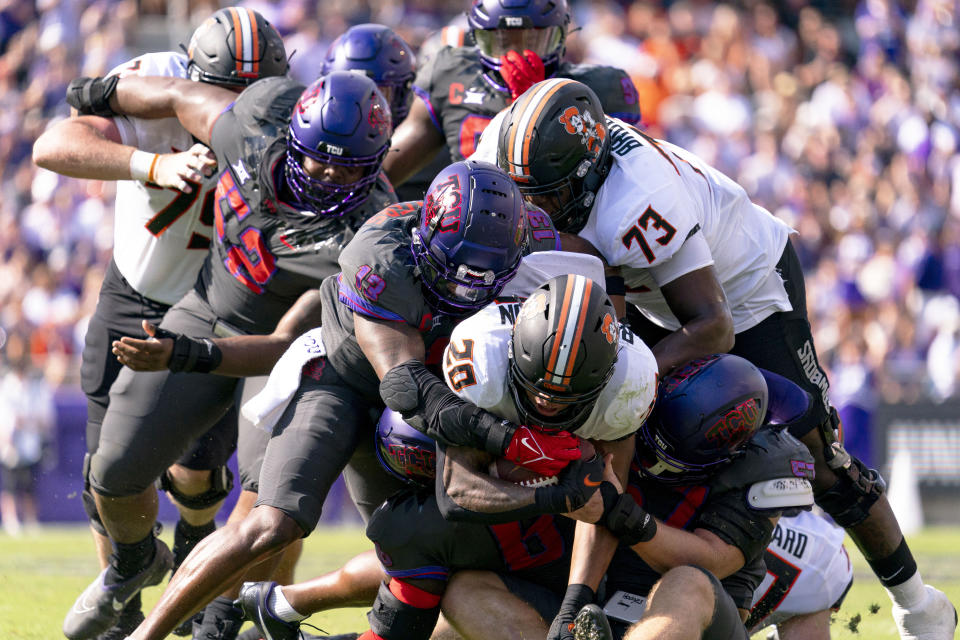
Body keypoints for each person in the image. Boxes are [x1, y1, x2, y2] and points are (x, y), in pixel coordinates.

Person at [480, 77, 957, 639]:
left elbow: (713, 326)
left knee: (826, 463)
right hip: (641, 282)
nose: (534, 208)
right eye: (525, 192)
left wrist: (630, 371)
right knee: (598, 410)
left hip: (746, 293)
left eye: (548, 195)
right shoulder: (505, 148)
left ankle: (915, 605)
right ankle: (591, 595)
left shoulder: (638, 198)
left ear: (587, 173)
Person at [108, 159, 575, 640]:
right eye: (455, 270)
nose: (468, 286)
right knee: (272, 523)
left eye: (485, 273)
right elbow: (403, 384)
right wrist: (509, 439)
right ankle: (145, 635)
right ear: (424, 238)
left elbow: (592, 283)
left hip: (440, 402)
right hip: (346, 382)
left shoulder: (536, 238)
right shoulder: (380, 253)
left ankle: (279, 610)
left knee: (413, 549)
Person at [57, 64, 396, 640]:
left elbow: (286, 344)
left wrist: (186, 354)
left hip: (284, 358)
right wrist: (94, 91)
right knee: (112, 473)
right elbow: (173, 91)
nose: (331, 173)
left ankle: (224, 616)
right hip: (208, 309)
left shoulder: (368, 233)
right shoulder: (251, 128)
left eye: (350, 166)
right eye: (320, 157)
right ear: (292, 138)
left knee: (267, 508)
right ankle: (136, 560)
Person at [31, 8, 289, 639]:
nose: (232, 109)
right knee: (106, 476)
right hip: (137, 290)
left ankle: (195, 577)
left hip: (217, 309)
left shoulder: (290, 116)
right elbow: (53, 145)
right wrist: (150, 166)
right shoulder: (160, 81)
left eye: (249, 96)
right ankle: (126, 595)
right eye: (223, 92)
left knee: (197, 474)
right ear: (193, 74)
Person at [235, 273, 659, 640]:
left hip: (567, 534)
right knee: (408, 534)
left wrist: (574, 603)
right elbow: (458, 492)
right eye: (535, 388)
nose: (547, 404)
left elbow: (603, 504)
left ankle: (283, 605)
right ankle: (276, 606)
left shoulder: (628, 386)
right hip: (498, 511)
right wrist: (551, 494)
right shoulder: (484, 358)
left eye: (567, 397)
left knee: (428, 558)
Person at [555, 353, 815, 640]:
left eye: (667, 460)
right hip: (603, 606)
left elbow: (713, 558)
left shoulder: (762, 466)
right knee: (499, 595)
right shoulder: (633, 403)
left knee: (690, 581)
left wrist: (624, 514)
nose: (650, 464)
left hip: (697, 625)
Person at [382, 0, 641, 189]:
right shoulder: (450, 71)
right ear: (478, 36)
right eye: (503, 41)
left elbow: (630, 178)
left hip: (562, 225)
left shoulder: (598, 87)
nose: (517, 54)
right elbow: (387, 170)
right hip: (469, 216)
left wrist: (542, 99)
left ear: (560, 35)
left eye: (533, 40)